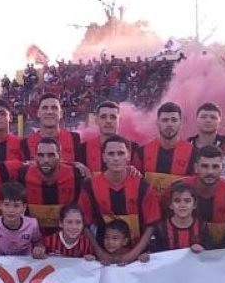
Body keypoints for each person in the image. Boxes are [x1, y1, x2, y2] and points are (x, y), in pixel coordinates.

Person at [79, 135, 162, 265]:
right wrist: (100, 253)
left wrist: (132, 255)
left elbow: (151, 225)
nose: (116, 158)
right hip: (103, 259)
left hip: (137, 258)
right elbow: (85, 224)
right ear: (104, 157)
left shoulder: (142, 186)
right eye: (111, 154)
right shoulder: (90, 187)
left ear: (128, 156)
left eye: (120, 153)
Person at [171, 145, 225, 248]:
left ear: (223, 168)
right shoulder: (177, 188)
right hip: (181, 253)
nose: (210, 172)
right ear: (196, 168)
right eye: (205, 166)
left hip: (220, 255)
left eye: (215, 166)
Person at [18, 137, 84, 236]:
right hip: (33, 240)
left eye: (51, 155)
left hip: (66, 239)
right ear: (35, 157)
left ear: (60, 155)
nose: (46, 160)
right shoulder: (23, 174)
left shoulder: (76, 174)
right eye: (41, 155)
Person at [136, 101, 197, 195]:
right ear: (157, 122)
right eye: (165, 120)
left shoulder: (194, 153)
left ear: (181, 123)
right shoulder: (142, 152)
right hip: (150, 208)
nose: (169, 124)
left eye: (174, 120)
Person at [0, 182, 45, 258]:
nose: (11, 210)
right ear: (0, 205)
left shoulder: (32, 224)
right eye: (6, 204)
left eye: (16, 206)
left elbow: (38, 241)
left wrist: (39, 249)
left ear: (24, 207)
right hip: (0, 264)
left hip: (25, 263)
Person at [21, 93, 83, 163]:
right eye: (45, 108)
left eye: (54, 108)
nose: (49, 112)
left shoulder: (75, 139)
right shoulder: (25, 144)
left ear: (61, 113)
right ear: (38, 113)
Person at [81, 101, 141, 174]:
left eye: (113, 117)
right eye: (103, 117)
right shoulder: (83, 149)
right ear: (96, 120)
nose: (108, 121)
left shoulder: (133, 148)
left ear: (120, 120)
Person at [150, 183, 211, 253]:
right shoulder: (161, 228)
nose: (182, 205)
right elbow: (155, 253)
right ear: (170, 205)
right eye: (177, 201)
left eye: (187, 201)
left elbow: (209, 250)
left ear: (194, 205)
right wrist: (146, 257)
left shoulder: (202, 226)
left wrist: (203, 248)